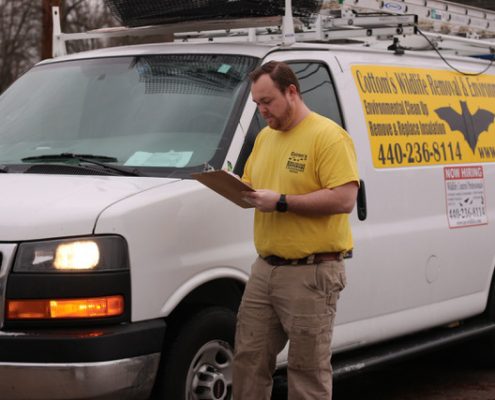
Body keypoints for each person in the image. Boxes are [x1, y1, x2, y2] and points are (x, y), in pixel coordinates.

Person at [232, 61, 360, 400]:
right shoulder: (265, 138)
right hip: (265, 270)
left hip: (312, 272)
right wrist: (235, 189)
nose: (262, 111)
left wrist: (283, 202)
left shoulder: (328, 136)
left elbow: (345, 198)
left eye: (267, 101)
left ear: (292, 92)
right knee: (247, 360)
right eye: (257, 104)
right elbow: (254, 185)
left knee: (307, 371)